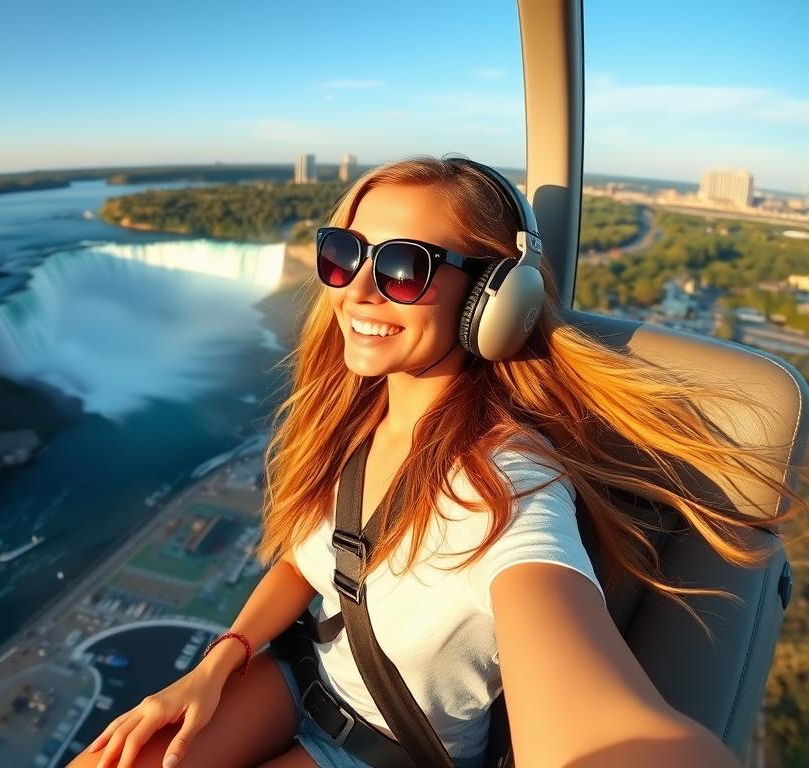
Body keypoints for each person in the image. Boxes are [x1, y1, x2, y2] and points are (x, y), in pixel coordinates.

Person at [67, 155, 805, 768]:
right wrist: (218, 662)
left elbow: (598, 730)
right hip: (297, 676)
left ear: (491, 296)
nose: (356, 289)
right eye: (343, 253)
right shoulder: (356, 417)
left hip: (389, 750)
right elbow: (305, 561)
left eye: (402, 269)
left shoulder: (505, 484)